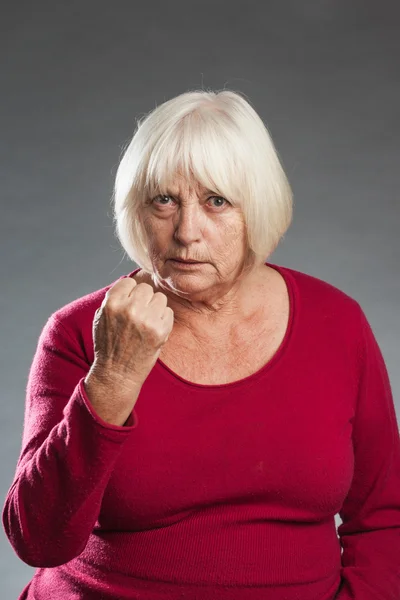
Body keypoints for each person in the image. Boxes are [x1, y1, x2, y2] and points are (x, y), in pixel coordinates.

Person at [2, 89, 400, 600]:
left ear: (257, 210)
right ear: (135, 212)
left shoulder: (337, 323)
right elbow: (38, 540)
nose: (187, 232)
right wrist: (114, 377)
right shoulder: (79, 332)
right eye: (164, 200)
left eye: (217, 201)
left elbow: (385, 520)